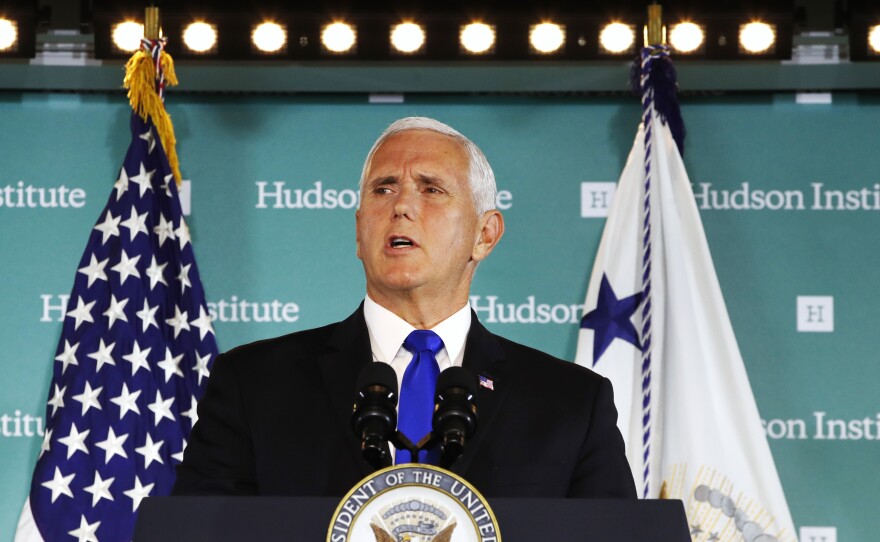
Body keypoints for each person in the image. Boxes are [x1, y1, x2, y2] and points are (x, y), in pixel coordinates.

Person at [172, 117, 636, 499]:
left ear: (485, 234)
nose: (402, 207)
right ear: (359, 231)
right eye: (384, 189)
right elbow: (199, 533)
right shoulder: (253, 384)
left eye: (431, 189)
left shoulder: (572, 403)